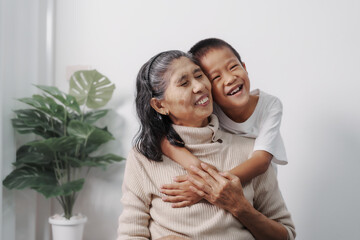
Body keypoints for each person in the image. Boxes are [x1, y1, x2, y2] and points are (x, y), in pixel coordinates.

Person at [117, 50, 295, 239]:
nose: (199, 86)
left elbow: (286, 235)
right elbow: (131, 233)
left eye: (200, 75)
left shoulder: (251, 151)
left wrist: (240, 207)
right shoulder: (144, 157)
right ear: (160, 105)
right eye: (184, 83)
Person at [160, 38, 287, 207]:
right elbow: (163, 140)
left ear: (245, 67)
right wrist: (199, 172)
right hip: (222, 174)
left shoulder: (270, 105)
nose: (229, 79)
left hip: (257, 180)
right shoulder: (211, 107)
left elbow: (261, 161)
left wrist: (208, 188)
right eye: (216, 77)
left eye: (233, 67)